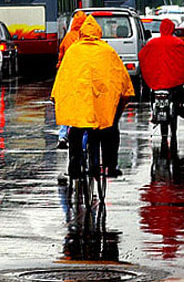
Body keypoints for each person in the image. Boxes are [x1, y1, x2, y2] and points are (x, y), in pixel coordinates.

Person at [51, 15, 134, 178]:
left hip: (79, 105)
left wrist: (56, 96)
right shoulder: (107, 51)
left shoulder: (73, 51)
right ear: (99, 32)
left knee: (75, 131)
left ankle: (74, 166)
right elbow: (121, 78)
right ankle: (110, 166)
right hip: (102, 105)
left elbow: (62, 77)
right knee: (110, 130)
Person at [138, 18, 184, 120]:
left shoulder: (152, 43)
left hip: (157, 80)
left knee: (153, 94)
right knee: (180, 93)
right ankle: (179, 106)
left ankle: (154, 112)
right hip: (173, 80)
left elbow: (142, 55)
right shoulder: (177, 42)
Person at [56, 11, 87, 149]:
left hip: (68, 78)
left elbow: (61, 57)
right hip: (83, 79)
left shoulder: (67, 38)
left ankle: (63, 134)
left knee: (67, 109)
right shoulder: (84, 39)